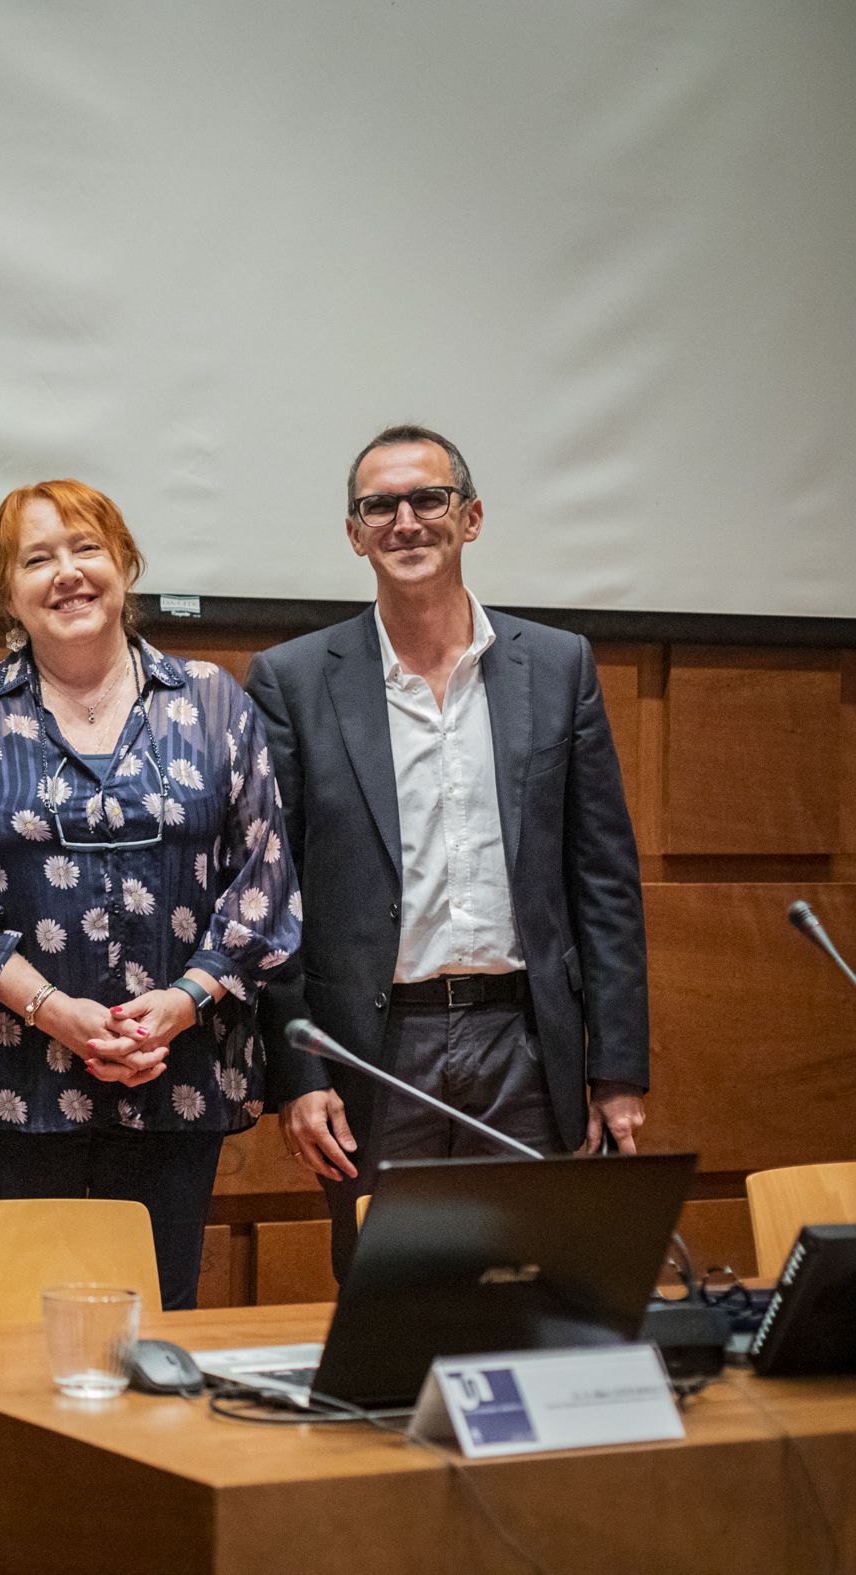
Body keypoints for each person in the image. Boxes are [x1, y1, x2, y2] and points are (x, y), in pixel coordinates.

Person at [246, 424, 648, 1277]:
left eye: (428, 499)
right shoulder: (293, 680)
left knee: (531, 1292)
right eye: (379, 506)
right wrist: (298, 1073)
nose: (406, 522)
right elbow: (270, 896)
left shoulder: (559, 666)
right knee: (392, 1305)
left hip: (524, 1044)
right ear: (354, 534)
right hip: (373, 1052)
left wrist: (616, 1068)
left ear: (471, 517)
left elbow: (604, 881)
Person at [0, 478, 298, 1311]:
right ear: (7, 592)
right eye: (37, 559)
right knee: (16, 1332)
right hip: (14, 1080)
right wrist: (55, 1012)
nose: (68, 573)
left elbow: (263, 881)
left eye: (87, 548)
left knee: (156, 1327)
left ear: (125, 563)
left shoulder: (213, 700)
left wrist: (182, 1003)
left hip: (175, 1071)